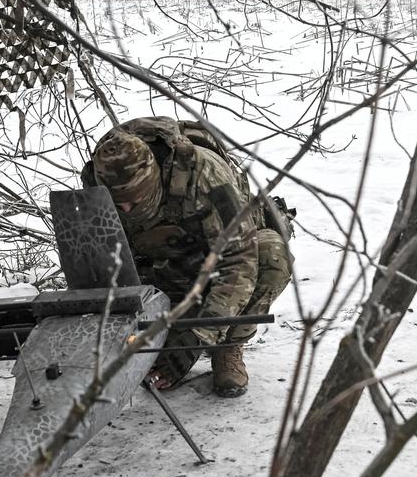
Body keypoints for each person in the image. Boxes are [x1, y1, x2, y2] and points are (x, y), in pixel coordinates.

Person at [87, 117, 293, 397]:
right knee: (158, 357)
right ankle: (170, 336)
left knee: (272, 254)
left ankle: (227, 346)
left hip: (217, 267)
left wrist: (200, 336)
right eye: (118, 204)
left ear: (155, 178)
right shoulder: (95, 182)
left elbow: (239, 260)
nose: (127, 210)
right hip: (161, 272)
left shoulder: (207, 174)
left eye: (135, 201)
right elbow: (100, 261)